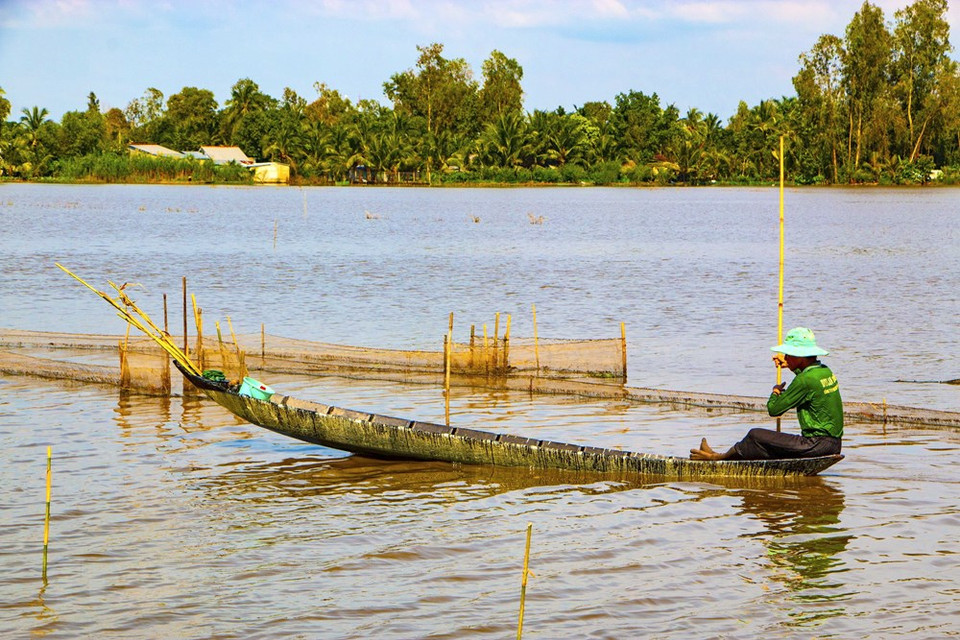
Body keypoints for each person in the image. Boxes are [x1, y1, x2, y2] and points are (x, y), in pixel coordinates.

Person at [690, 327, 843, 461]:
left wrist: (775, 392)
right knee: (766, 443)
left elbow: (774, 409)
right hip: (833, 443)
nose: (786, 358)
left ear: (800, 356)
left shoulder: (805, 380)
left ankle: (717, 458)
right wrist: (790, 366)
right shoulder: (823, 371)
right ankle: (724, 456)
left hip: (816, 444)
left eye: (789, 355)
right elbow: (806, 381)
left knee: (755, 435)